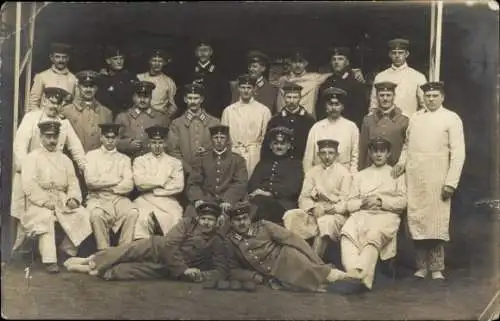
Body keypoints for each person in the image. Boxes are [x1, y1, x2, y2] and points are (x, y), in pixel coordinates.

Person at [392, 81, 465, 282]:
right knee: (418, 221)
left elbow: (458, 153)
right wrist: (401, 163)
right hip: (415, 177)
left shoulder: (451, 118)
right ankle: (421, 266)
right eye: (427, 96)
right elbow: (407, 146)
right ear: (422, 97)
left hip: (437, 177)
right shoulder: (415, 118)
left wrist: (451, 182)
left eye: (434, 95)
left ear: (442, 97)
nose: (431, 99)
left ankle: (437, 268)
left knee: (435, 221)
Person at [66, 203, 228, 282]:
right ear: (198, 218)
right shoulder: (187, 223)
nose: (206, 223)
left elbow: (221, 270)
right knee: (126, 251)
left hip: (170, 267)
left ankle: (90, 270)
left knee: (131, 271)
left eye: (211, 220)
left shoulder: (217, 241)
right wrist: (184, 269)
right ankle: (89, 261)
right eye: (204, 219)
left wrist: (198, 275)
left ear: (216, 223)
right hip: (157, 247)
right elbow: (169, 244)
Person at [225, 201, 359, 292]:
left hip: (288, 257)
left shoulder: (264, 226)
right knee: (307, 287)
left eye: (244, 218)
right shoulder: (231, 242)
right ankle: (345, 282)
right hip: (273, 275)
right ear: (231, 222)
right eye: (237, 220)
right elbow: (233, 270)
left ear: (249, 218)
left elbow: (294, 240)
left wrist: (317, 261)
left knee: (318, 273)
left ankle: (350, 279)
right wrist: (254, 276)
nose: (242, 222)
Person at [11, 87, 86, 247]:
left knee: (59, 212)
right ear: (44, 100)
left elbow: (76, 147)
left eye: (58, 104)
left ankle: (53, 250)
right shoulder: (31, 118)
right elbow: (20, 146)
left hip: (52, 174)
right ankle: (20, 249)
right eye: (51, 102)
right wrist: (27, 169)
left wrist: (84, 167)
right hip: (29, 171)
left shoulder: (64, 123)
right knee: (24, 215)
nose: (54, 107)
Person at [20, 121, 92, 273]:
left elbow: (73, 182)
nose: (52, 140)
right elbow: (29, 184)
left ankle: (65, 251)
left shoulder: (65, 159)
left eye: (55, 137)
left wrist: (72, 198)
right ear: (41, 137)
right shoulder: (32, 157)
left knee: (84, 215)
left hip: (61, 199)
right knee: (46, 217)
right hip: (38, 202)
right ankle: (49, 259)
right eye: (48, 137)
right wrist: (45, 201)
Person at [341, 137, 406, 291]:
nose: (378, 155)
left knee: (373, 234)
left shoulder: (396, 174)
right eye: (375, 151)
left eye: (382, 151)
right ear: (369, 153)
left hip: (386, 215)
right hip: (362, 214)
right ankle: (353, 273)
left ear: (388, 153)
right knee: (347, 232)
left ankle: (364, 277)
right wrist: (362, 203)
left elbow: (403, 202)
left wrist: (381, 201)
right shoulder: (360, 175)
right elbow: (349, 204)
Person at [283, 139, 351, 258]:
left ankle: (314, 262)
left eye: (331, 153)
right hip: (314, 211)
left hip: (334, 215)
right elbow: (304, 197)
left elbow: (346, 201)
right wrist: (312, 208)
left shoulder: (344, 173)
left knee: (325, 222)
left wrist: (330, 209)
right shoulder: (312, 172)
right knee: (291, 215)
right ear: (318, 155)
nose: (327, 157)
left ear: (337, 155)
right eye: (323, 153)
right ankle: (296, 259)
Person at [84, 123, 139, 251]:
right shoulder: (91, 156)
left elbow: (128, 185)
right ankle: (104, 251)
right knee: (96, 215)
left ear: (117, 139)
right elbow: (90, 182)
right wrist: (115, 181)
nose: (110, 141)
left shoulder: (124, 159)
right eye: (107, 137)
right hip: (97, 198)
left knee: (132, 212)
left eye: (113, 137)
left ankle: (123, 250)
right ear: (101, 138)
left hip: (118, 198)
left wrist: (106, 186)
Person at [185, 125, 248, 219]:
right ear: (211, 139)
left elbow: (240, 182)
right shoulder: (202, 159)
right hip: (206, 199)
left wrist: (228, 199)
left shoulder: (238, 160)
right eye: (216, 137)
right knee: (190, 215)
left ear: (227, 140)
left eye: (222, 138)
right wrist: (198, 198)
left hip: (229, 200)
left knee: (232, 219)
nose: (219, 141)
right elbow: (193, 182)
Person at [133, 126, 184, 239]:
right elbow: (140, 184)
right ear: (149, 143)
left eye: (160, 142)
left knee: (175, 217)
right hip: (145, 199)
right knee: (141, 218)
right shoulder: (140, 161)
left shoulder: (174, 162)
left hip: (167, 199)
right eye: (154, 142)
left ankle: (170, 248)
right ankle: (143, 249)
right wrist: (162, 182)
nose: (157, 146)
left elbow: (178, 186)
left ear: (165, 143)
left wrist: (152, 187)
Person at [248, 127, 303, 224]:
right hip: (260, 201)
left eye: (283, 144)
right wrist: (258, 191)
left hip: (283, 205)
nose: (279, 147)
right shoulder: (263, 163)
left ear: (289, 146)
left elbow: (292, 189)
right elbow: (252, 183)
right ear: (270, 145)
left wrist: (268, 192)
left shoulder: (295, 164)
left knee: (260, 202)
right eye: (275, 143)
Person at [221, 74, 272, 177]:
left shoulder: (263, 110)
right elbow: (224, 136)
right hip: (234, 152)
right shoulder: (229, 111)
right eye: (243, 87)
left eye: (249, 88)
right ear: (238, 89)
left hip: (254, 153)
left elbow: (266, 136)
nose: (246, 91)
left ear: (254, 89)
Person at [167, 83, 220, 175]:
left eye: (196, 98)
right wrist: (189, 170)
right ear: (185, 100)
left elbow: (221, 146)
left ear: (202, 99)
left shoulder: (214, 122)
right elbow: (173, 151)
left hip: (210, 171)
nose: (193, 102)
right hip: (185, 173)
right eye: (190, 98)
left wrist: (208, 151)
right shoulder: (176, 124)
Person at [303, 87, 359, 173]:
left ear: (342, 106)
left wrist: (352, 177)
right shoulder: (316, 128)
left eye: (337, 104)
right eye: (330, 104)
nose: (333, 108)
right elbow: (308, 158)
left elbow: (355, 157)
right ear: (325, 106)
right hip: (320, 174)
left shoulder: (351, 127)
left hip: (343, 174)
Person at [369, 38, 427, 116]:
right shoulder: (380, 77)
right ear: (389, 54)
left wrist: (415, 119)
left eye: (400, 53)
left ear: (406, 54)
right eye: (394, 53)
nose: (397, 56)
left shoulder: (418, 76)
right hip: (385, 123)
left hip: (409, 123)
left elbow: (425, 105)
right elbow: (374, 104)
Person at [359, 81, 409, 170]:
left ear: (394, 96)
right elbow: (363, 150)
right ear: (377, 97)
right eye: (381, 95)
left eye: (388, 95)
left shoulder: (404, 121)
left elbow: (407, 149)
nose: (385, 99)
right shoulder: (368, 120)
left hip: (395, 171)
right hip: (372, 171)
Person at [115, 80, 170, 158]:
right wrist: (128, 144)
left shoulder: (160, 117)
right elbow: (113, 141)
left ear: (151, 97)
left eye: (146, 97)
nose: (142, 100)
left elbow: (168, 142)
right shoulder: (123, 117)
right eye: (139, 96)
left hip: (153, 162)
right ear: (133, 97)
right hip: (130, 160)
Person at [261, 82, 315, 161]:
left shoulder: (309, 120)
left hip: (301, 161)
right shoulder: (275, 120)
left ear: (300, 98)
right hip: (280, 161)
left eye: (295, 97)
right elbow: (267, 145)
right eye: (289, 97)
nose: (292, 101)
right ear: (284, 98)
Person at [62, 70, 113, 152]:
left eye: (92, 86)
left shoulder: (106, 113)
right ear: (78, 87)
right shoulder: (67, 111)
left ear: (96, 88)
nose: (88, 89)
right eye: (85, 86)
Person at [316, 46, 367, 128]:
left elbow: (360, 111)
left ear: (347, 62)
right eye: (334, 59)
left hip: (347, 127)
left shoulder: (355, 83)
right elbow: (320, 109)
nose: (336, 62)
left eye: (340, 59)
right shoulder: (326, 83)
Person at [275, 48, 331, 119]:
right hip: (286, 120)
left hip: (307, 120)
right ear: (290, 63)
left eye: (301, 62)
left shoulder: (315, 78)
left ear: (306, 63)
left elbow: (332, 74)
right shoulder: (283, 80)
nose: (297, 65)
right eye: (295, 62)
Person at [182, 39, 231, 118]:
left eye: (205, 50)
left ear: (211, 52)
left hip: (213, 115)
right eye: (200, 50)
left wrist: (217, 112)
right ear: (196, 53)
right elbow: (181, 95)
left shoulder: (219, 72)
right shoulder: (189, 72)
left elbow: (226, 97)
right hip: (192, 115)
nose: (202, 53)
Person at [26, 42, 77, 112]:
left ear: (68, 58)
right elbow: (33, 103)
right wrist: (38, 117)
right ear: (51, 58)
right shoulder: (42, 77)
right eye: (57, 57)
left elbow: (76, 104)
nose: (61, 60)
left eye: (64, 57)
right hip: (44, 119)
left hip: (64, 119)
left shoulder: (74, 79)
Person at [96, 46, 138, 118]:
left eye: (121, 58)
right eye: (115, 59)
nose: (119, 62)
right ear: (108, 61)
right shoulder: (101, 79)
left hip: (128, 118)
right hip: (108, 117)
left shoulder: (131, 77)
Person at [137, 49, 178, 118]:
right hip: (139, 117)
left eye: (160, 61)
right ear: (149, 61)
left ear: (164, 63)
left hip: (158, 118)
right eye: (154, 61)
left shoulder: (169, 82)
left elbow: (173, 106)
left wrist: (164, 119)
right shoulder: (139, 78)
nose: (157, 64)